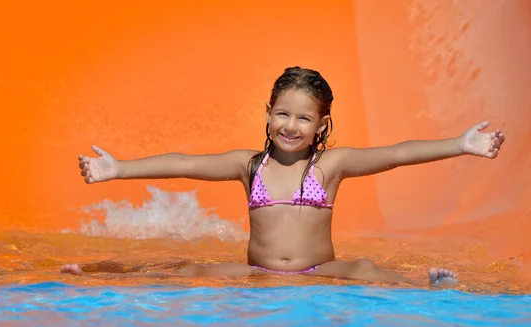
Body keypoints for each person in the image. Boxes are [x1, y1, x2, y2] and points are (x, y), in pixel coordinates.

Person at [61, 66, 505, 286]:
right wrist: (117, 170)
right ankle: (106, 271)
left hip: (321, 273)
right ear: (268, 114)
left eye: (304, 118)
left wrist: (460, 144)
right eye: (282, 113)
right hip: (260, 274)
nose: (291, 126)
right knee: (184, 269)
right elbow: (185, 163)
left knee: (367, 268)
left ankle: (424, 285)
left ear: (322, 126)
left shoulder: (328, 167)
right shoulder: (249, 165)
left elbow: (397, 154)